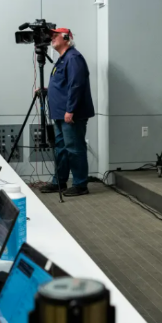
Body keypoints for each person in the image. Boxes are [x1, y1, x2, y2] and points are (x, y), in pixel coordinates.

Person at [40, 28, 94, 197]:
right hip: (59, 113)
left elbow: (76, 85)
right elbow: (64, 84)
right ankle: (59, 182)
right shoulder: (63, 60)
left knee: (74, 148)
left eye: (55, 35)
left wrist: (70, 110)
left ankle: (80, 185)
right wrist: (48, 89)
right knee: (61, 149)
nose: (51, 38)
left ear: (66, 38)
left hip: (70, 114)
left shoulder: (73, 57)